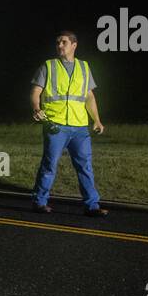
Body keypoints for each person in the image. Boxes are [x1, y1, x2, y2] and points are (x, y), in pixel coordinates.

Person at [30, 31, 106, 216]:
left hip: (80, 127)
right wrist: (36, 108)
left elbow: (89, 96)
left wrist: (96, 120)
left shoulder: (84, 67)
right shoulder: (48, 66)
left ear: (74, 45)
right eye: (58, 42)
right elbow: (35, 92)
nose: (60, 45)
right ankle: (39, 202)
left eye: (64, 42)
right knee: (50, 165)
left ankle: (92, 206)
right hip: (56, 125)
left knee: (85, 166)